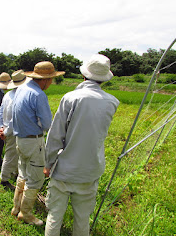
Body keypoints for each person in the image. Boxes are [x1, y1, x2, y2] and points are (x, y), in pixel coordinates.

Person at [44, 54, 120, 236]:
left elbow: (56, 136)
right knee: (82, 218)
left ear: (84, 75)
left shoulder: (71, 98)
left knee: (55, 215)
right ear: (104, 79)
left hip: (64, 169)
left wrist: (48, 164)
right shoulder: (112, 102)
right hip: (90, 170)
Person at [11, 61, 65, 226]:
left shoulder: (21, 89)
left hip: (19, 139)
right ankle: (25, 214)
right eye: (51, 79)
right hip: (33, 141)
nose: (51, 83)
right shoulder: (39, 95)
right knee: (34, 180)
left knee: (23, 174)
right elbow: (48, 123)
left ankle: (16, 208)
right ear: (46, 79)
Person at [0, 70, 31, 191]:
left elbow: (0, 113)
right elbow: (14, 117)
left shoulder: (8, 95)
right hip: (13, 130)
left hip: (7, 128)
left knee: (14, 154)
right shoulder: (20, 96)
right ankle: (4, 178)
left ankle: (15, 174)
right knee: (11, 154)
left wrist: (1, 127)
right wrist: (5, 130)